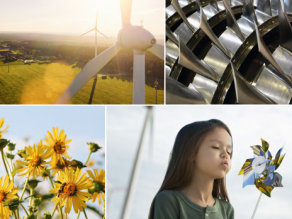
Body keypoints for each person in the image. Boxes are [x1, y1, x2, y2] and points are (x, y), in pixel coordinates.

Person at [148, 119, 234, 219]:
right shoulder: (169, 200)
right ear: (190, 152)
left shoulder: (227, 210)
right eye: (216, 147)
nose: (225, 155)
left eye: (229, 151)